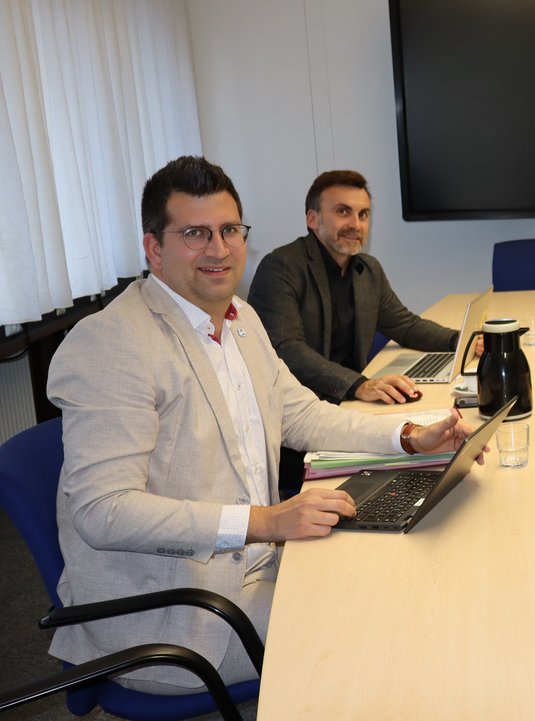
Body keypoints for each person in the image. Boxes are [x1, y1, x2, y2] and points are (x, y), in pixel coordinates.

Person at [46, 156, 481, 695]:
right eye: (195, 233)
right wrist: (266, 521)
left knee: (408, 580)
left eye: (229, 229)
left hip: (261, 566)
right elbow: (102, 512)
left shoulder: (240, 319)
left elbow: (301, 414)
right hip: (180, 614)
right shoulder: (112, 343)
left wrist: (410, 434)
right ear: (153, 248)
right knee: (382, 635)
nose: (219, 248)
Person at [248, 169, 460, 405]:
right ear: (312, 219)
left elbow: (404, 325)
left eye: (363, 214)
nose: (356, 224)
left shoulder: (368, 270)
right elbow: (286, 349)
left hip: (351, 400)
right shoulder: (280, 268)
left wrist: (461, 341)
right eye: (343, 212)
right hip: (301, 407)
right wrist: (358, 384)